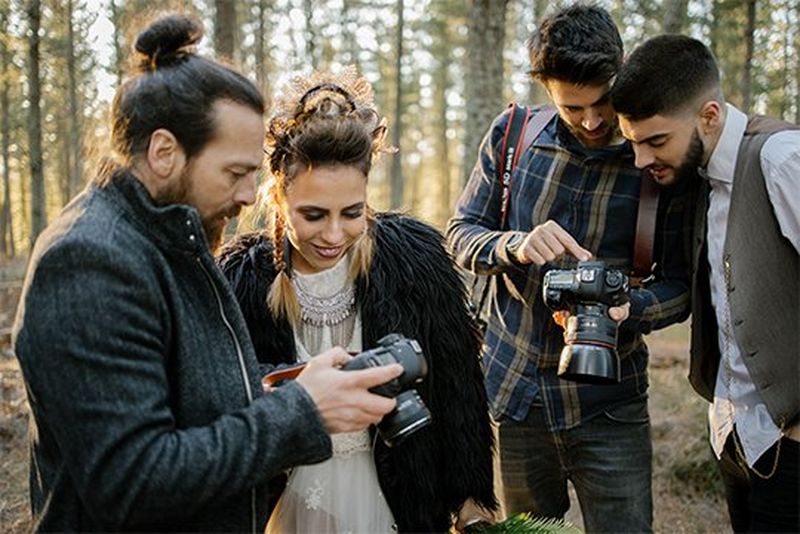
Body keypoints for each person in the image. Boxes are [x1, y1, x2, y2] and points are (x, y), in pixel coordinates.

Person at [12, 14, 404, 532]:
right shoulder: (91, 262)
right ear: (164, 152)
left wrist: (279, 392)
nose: (248, 196)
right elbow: (132, 481)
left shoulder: (174, 237)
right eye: (236, 173)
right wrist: (302, 412)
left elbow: (177, 404)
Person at [217, 66, 497, 533]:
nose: (332, 234)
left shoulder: (416, 261)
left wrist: (471, 503)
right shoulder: (241, 280)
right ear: (280, 199)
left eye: (351, 213)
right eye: (312, 214)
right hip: (287, 497)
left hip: (398, 493)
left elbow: (458, 386)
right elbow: (227, 405)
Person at [447, 5, 695, 532]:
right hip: (515, 394)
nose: (591, 120)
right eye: (571, 107)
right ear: (546, 89)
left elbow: (682, 286)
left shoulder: (655, 158)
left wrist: (631, 308)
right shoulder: (512, 136)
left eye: (602, 102)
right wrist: (513, 245)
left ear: (623, 69)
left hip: (611, 402)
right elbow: (459, 234)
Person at [611, 34, 800, 533]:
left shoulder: (780, 158)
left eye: (655, 141)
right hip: (736, 435)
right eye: (633, 143)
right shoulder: (700, 172)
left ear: (710, 116)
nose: (641, 161)